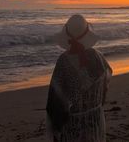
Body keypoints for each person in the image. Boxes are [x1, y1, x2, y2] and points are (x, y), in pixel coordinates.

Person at [46, 14, 112, 142]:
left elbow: (56, 103)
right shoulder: (99, 58)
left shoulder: (64, 62)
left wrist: (55, 129)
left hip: (73, 126)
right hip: (96, 121)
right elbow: (104, 89)